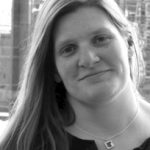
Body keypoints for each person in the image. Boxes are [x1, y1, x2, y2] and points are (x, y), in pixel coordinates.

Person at [1, 0, 150, 150]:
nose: (88, 60)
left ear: (129, 43)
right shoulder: (22, 145)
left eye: (100, 39)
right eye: (69, 49)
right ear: (53, 69)